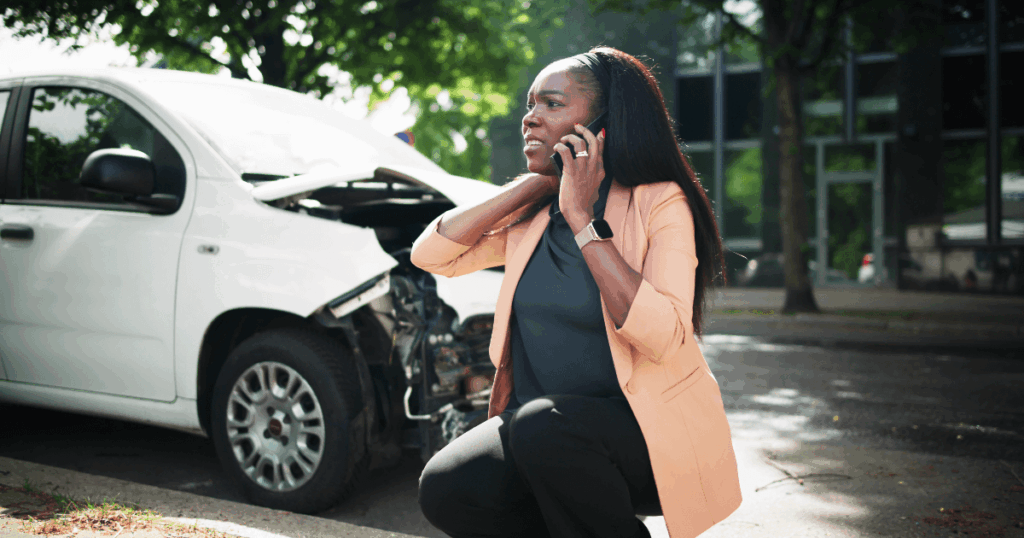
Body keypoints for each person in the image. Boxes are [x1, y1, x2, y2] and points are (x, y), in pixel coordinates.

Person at [410, 46, 742, 538]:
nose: (530, 118)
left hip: (641, 438)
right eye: (530, 104)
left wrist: (584, 220)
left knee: (546, 427)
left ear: (601, 125)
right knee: (446, 488)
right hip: (539, 433)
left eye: (551, 104)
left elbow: (664, 337)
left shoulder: (661, 203)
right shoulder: (536, 217)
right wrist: (535, 187)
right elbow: (430, 255)